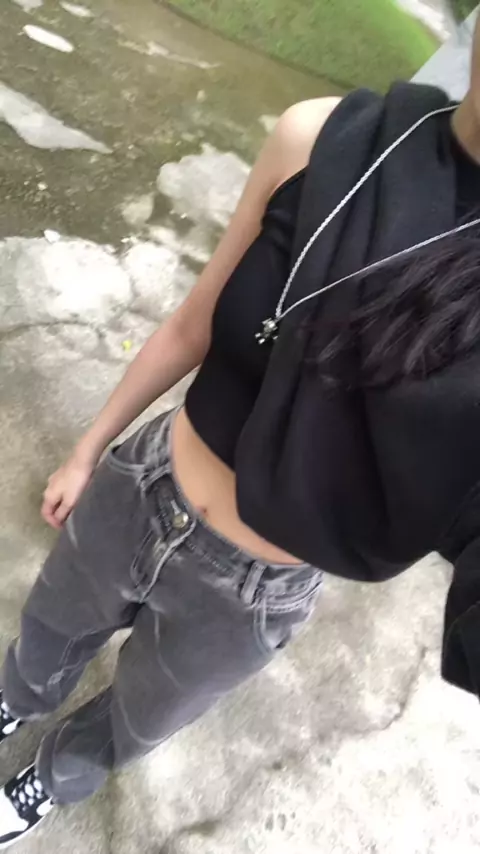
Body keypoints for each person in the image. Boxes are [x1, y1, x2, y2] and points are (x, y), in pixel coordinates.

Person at [2, 0, 480, 846]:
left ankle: (51, 777)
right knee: (47, 632)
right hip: (143, 484)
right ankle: (16, 700)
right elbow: (194, 322)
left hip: (253, 593)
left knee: (139, 719)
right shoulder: (325, 137)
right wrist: (87, 450)